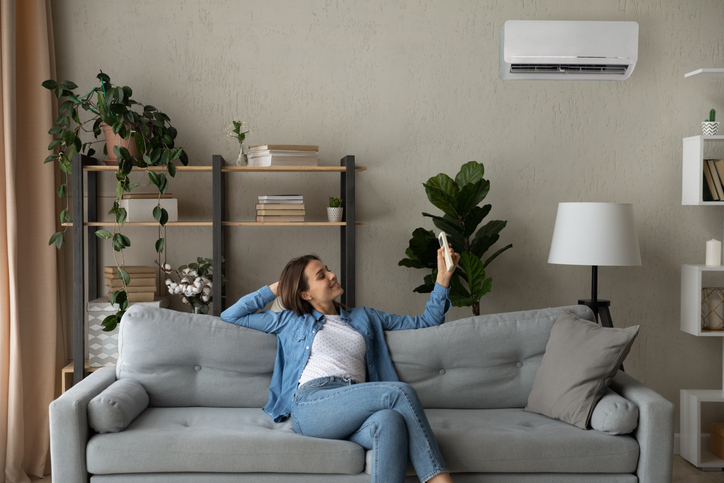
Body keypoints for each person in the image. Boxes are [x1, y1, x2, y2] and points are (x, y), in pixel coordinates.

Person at [220, 246, 460, 483]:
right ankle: (440, 480)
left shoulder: (365, 317)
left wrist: (443, 278)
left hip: (354, 402)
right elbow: (232, 315)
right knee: (399, 392)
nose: (332, 275)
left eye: (328, 270)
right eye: (321, 276)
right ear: (306, 294)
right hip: (313, 403)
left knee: (390, 421)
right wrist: (278, 287)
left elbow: (427, 322)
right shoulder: (290, 321)